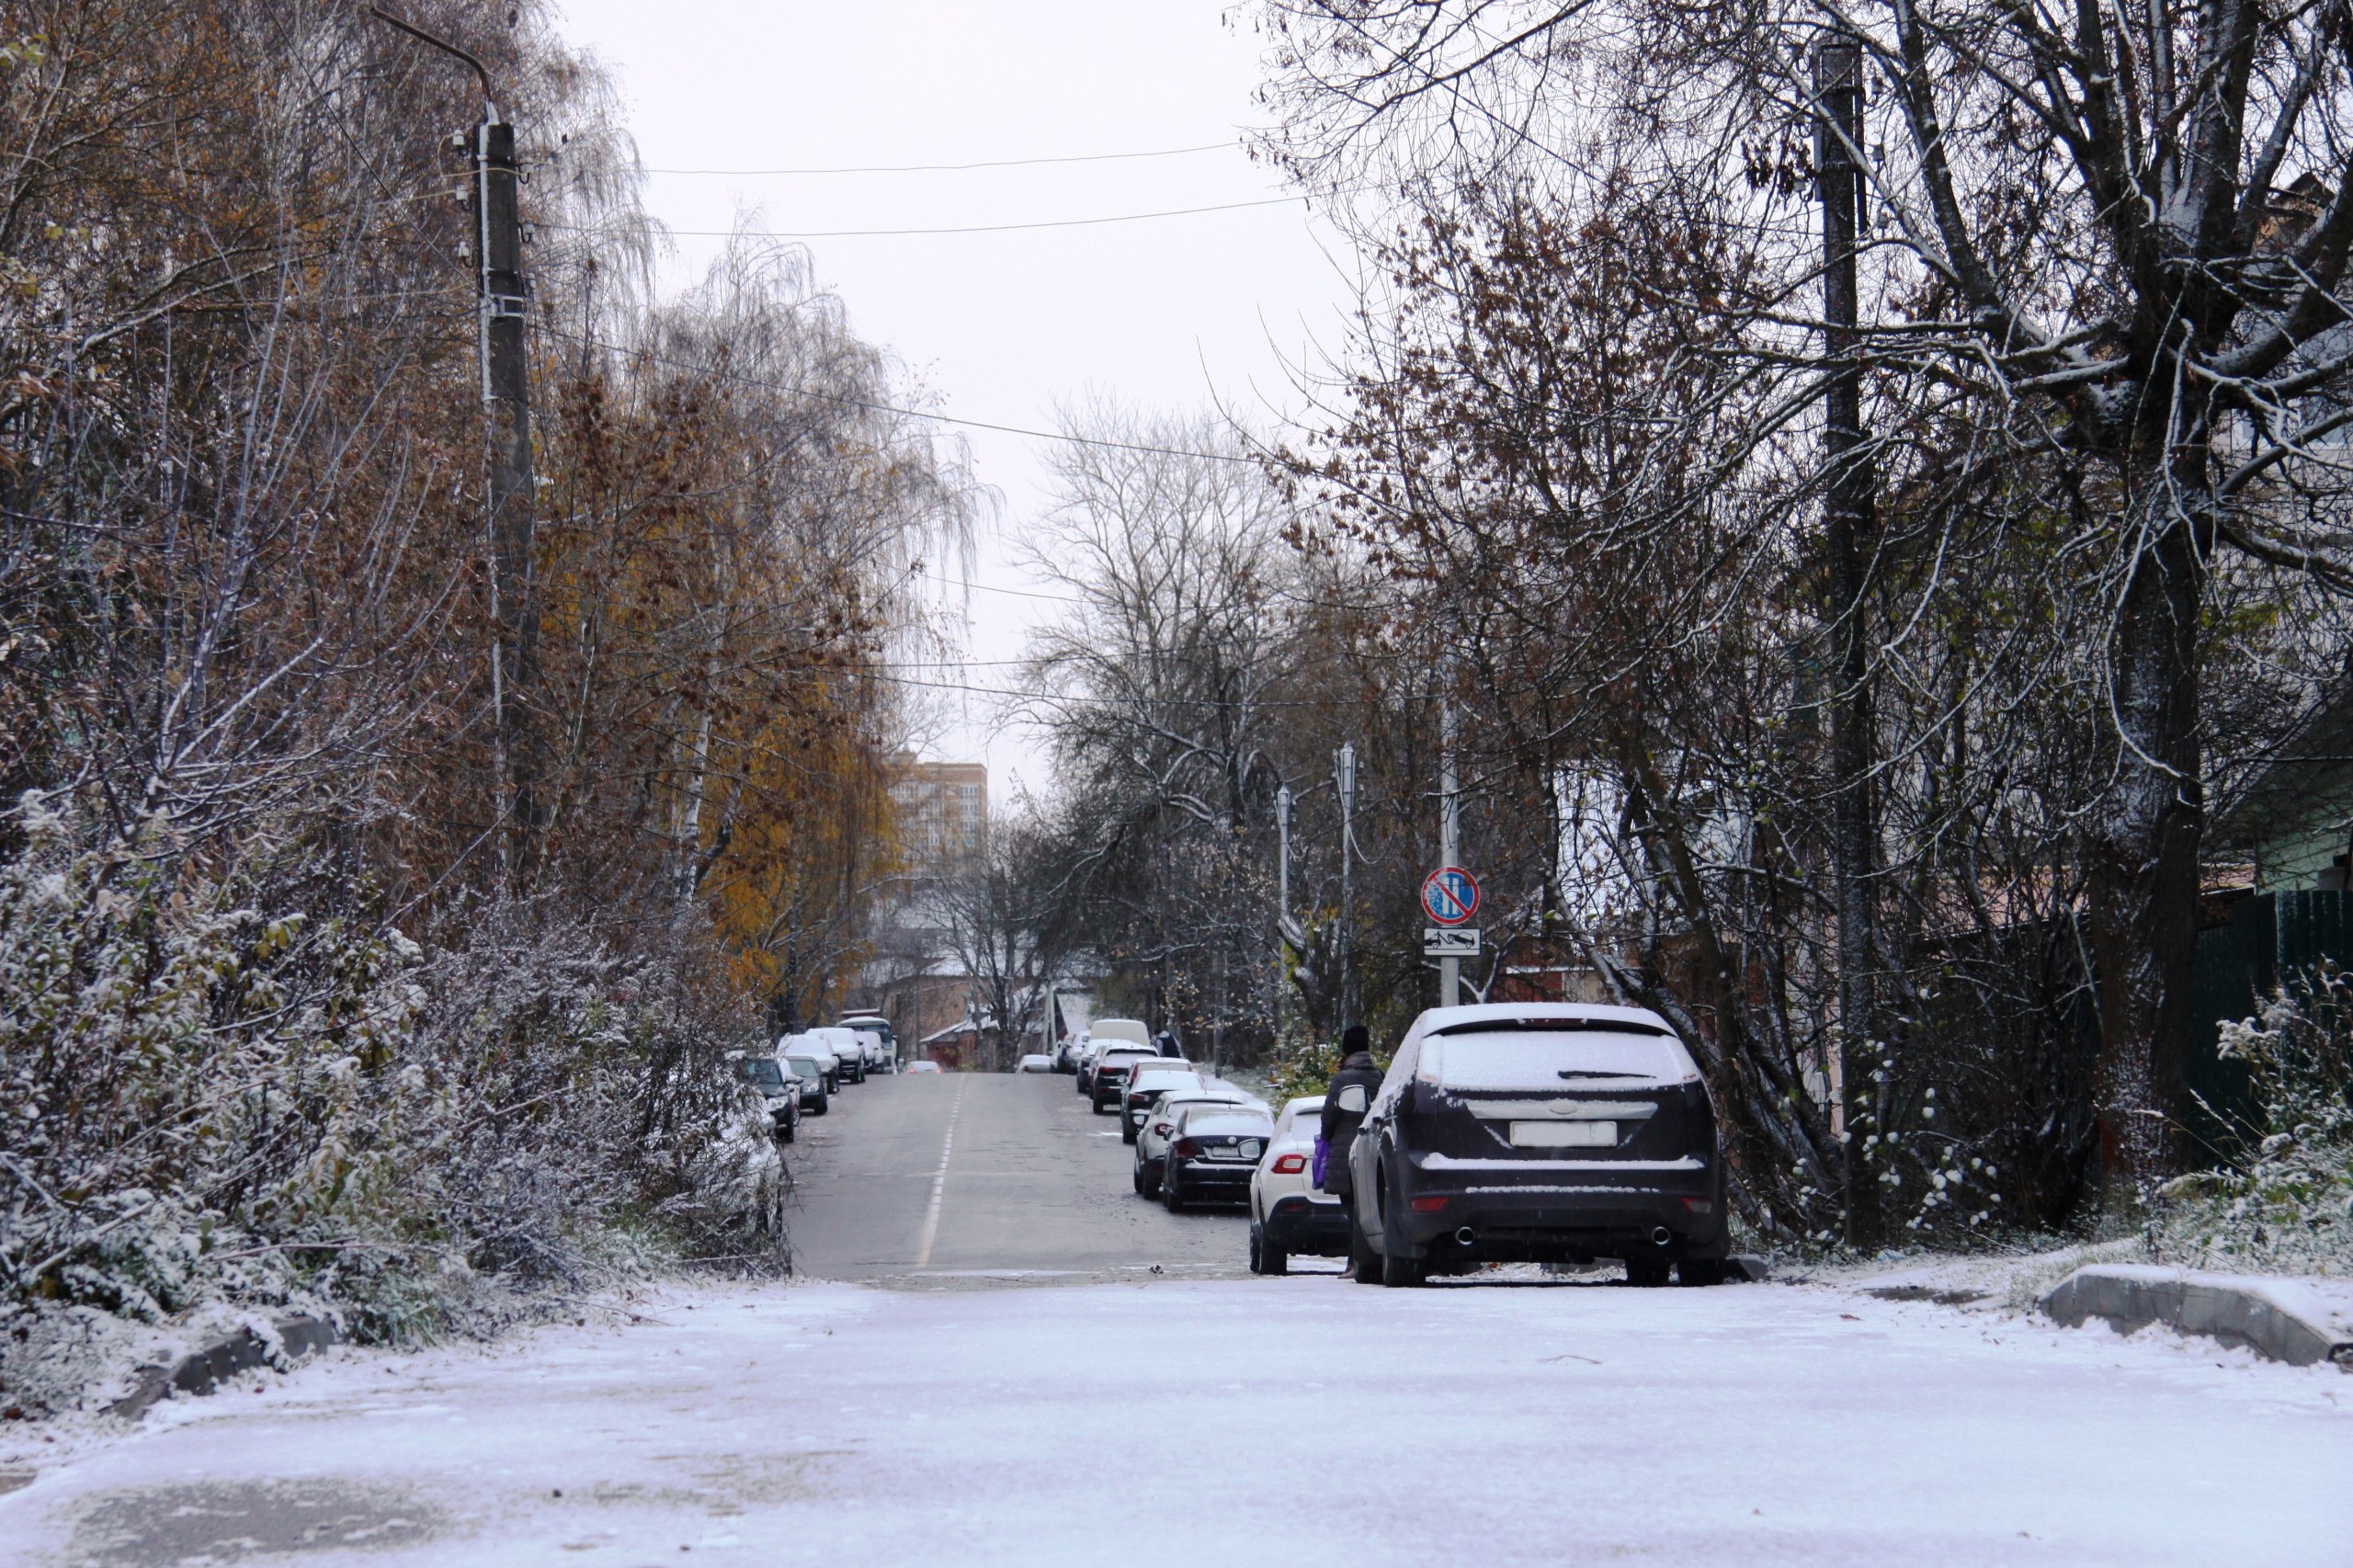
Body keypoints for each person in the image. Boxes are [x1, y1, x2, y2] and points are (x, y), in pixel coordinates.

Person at [1317, 1025, 1383, 1271]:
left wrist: (1327, 1138)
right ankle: (1365, 1259)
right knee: (1369, 1205)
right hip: (1374, 1148)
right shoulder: (1380, 1076)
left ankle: (1356, 1262)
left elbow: (1328, 1116)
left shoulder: (1342, 1079)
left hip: (1346, 1150)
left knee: (1352, 1209)